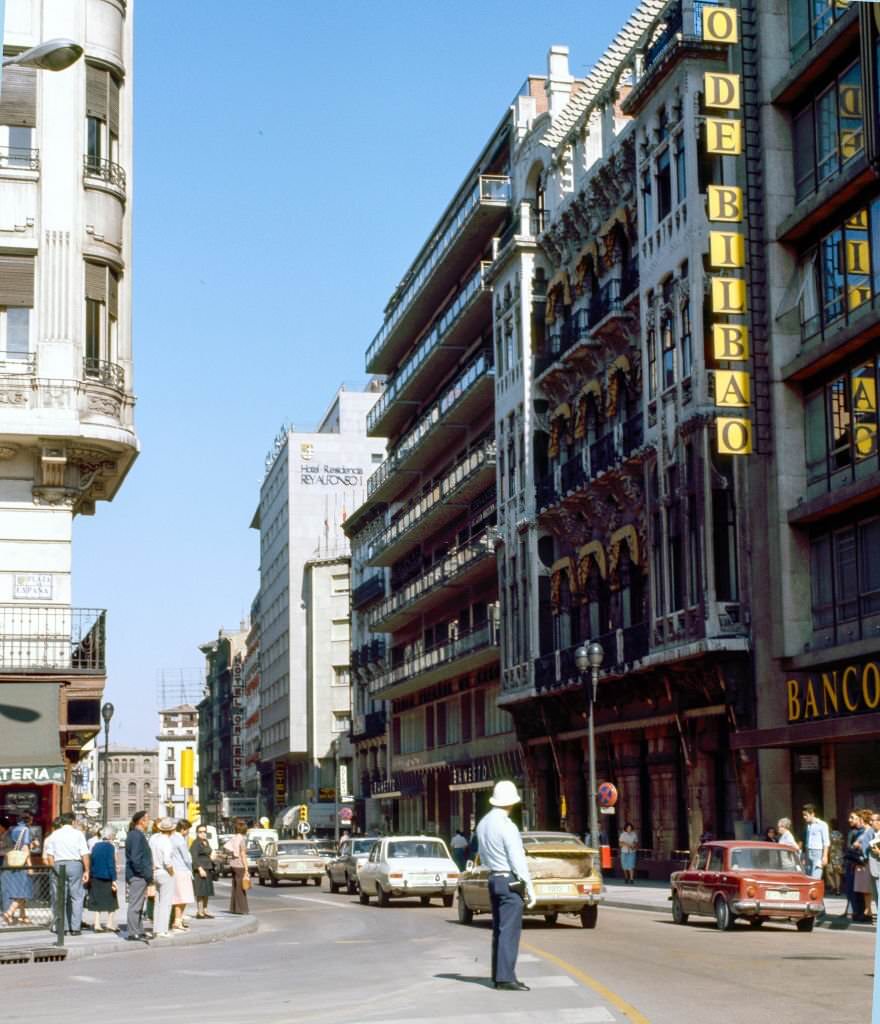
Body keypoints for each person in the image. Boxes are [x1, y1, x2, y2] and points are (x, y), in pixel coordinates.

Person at [475, 780, 536, 992]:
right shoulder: (507, 826)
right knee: (509, 930)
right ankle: (505, 978)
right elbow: (517, 859)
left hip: (493, 878)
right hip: (509, 879)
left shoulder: (482, 824)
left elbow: (482, 855)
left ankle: (498, 975)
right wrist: (529, 887)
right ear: (511, 802)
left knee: (499, 929)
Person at [42, 812, 90, 935]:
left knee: (60, 897)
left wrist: (54, 868)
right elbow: (84, 853)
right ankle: (75, 928)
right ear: (73, 822)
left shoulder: (54, 834)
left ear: (62, 822)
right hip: (75, 864)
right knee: (77, 897)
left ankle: (62, 927)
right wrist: (87, 870)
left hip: (59, 864)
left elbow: (50, 855)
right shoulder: (78, 834)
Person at [124, 810, 154, 942]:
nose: (149, 822)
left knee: (139, 905)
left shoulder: (136, 835)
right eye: (147, 819)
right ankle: (132, 932)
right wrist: (143, 872)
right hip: (137, 875)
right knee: (135, 905)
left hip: (139, 875)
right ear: (141, 821)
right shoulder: (136, 835)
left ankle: (139, 930)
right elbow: (135, 858)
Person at [2, 814, 34, 924]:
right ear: (28, 820)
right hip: (23, 863)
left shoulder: (13, 829)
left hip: (14, 862)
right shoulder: (25, 829)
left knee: (20, 888)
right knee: (23, 890)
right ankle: (9, 912)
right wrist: (29, 865)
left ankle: (23, 916)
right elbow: (25, 847)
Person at [148, 817, 177, 937]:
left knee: (158, 902)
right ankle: (162, 929)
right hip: (164, 872)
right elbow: (167, 860)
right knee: (166, 902)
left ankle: (156, 928)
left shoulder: (154, 839)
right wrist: (171, 872)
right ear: (171, 830)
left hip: (155, 871)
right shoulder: (167, 841)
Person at [87, 825, 118, 932]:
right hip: (107, 877)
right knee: (112, 901)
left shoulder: (96, 846)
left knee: (97, 900)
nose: (114, 837)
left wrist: (91, 875)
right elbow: (111, 864)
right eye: (114, 835)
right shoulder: (110, 847)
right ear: (110, 836)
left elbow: (92, 861)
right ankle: (109, 923)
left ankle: (97, 924)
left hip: (96, 876)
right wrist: (114, 879)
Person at [170, 820, 195, 931]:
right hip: (182, 870)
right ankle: (177, 921)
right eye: (188, 829)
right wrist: (191, 862)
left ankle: (176, 920)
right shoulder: (180, 840)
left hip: (174, 870)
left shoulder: (171, 838)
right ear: (183, 829)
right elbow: (186, 858)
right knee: (183, 898)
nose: (188, 832)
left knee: (177, 897)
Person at [190, 824, 215, 919]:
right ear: (197, 833)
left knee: (206, 891)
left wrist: (212, 856)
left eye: (204, 831)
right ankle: (199, 912)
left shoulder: (206, 842)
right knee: (200, 891)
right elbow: (194, 857)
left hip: (208, 868)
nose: (203, 833)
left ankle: (205, 910)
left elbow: (208, 853)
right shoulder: (195, 843)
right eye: (200, 832)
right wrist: (199, 869)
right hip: (200, 869)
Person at [226, 818, 250, 915]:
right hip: (240, 865)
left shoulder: (234, 838)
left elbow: (228, 848)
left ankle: (234, 908)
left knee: (235, 886)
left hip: (233, 864)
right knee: (241, 888)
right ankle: (241, 909)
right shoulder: (242, 840)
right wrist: (247, 869)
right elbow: (243, 854)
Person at [802, 804, 830, 881]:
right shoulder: (808, 826)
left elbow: (826, 842)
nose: (804, 817)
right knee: (808, 876)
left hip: (817, 852)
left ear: (812, 814)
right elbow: (806, 841)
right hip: (808, 852)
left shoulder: (822, 825)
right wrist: (805, 855)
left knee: (816, 876)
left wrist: (825, 856)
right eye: (803, 815)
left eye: (806, 815)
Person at [826, 819, 844, 897]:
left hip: (832, 855)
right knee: (837, 874)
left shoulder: (830, 835)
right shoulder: (840, 834)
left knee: (828, 872)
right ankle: (838, 890)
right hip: (839, 855)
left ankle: (833, 886)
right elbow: (842, 843)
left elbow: (828, 845)